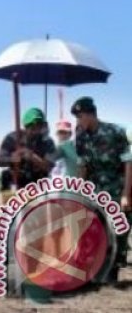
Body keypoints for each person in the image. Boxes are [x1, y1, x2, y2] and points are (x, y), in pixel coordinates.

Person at [73, 97, 132, 283]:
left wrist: (126, 194)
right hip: (94, 191)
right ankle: (99, 270)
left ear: (90, 114)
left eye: (80, 116)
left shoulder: (114, 132)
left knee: (118, 231)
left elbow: (128, 163)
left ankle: (113, 270)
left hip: (116, 189)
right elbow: (82, 166)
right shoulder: (81, 136)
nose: (78, 121)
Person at [0, 107, 55, 189]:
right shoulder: (12, 137)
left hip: (37, 183)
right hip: (16, 182)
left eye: (39, 126)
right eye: (32, 128)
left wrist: (32, 157)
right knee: (6, 175)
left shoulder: (48, 141)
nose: (36, 131)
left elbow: (49, 166)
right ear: (26, 127)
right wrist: (12, 159)